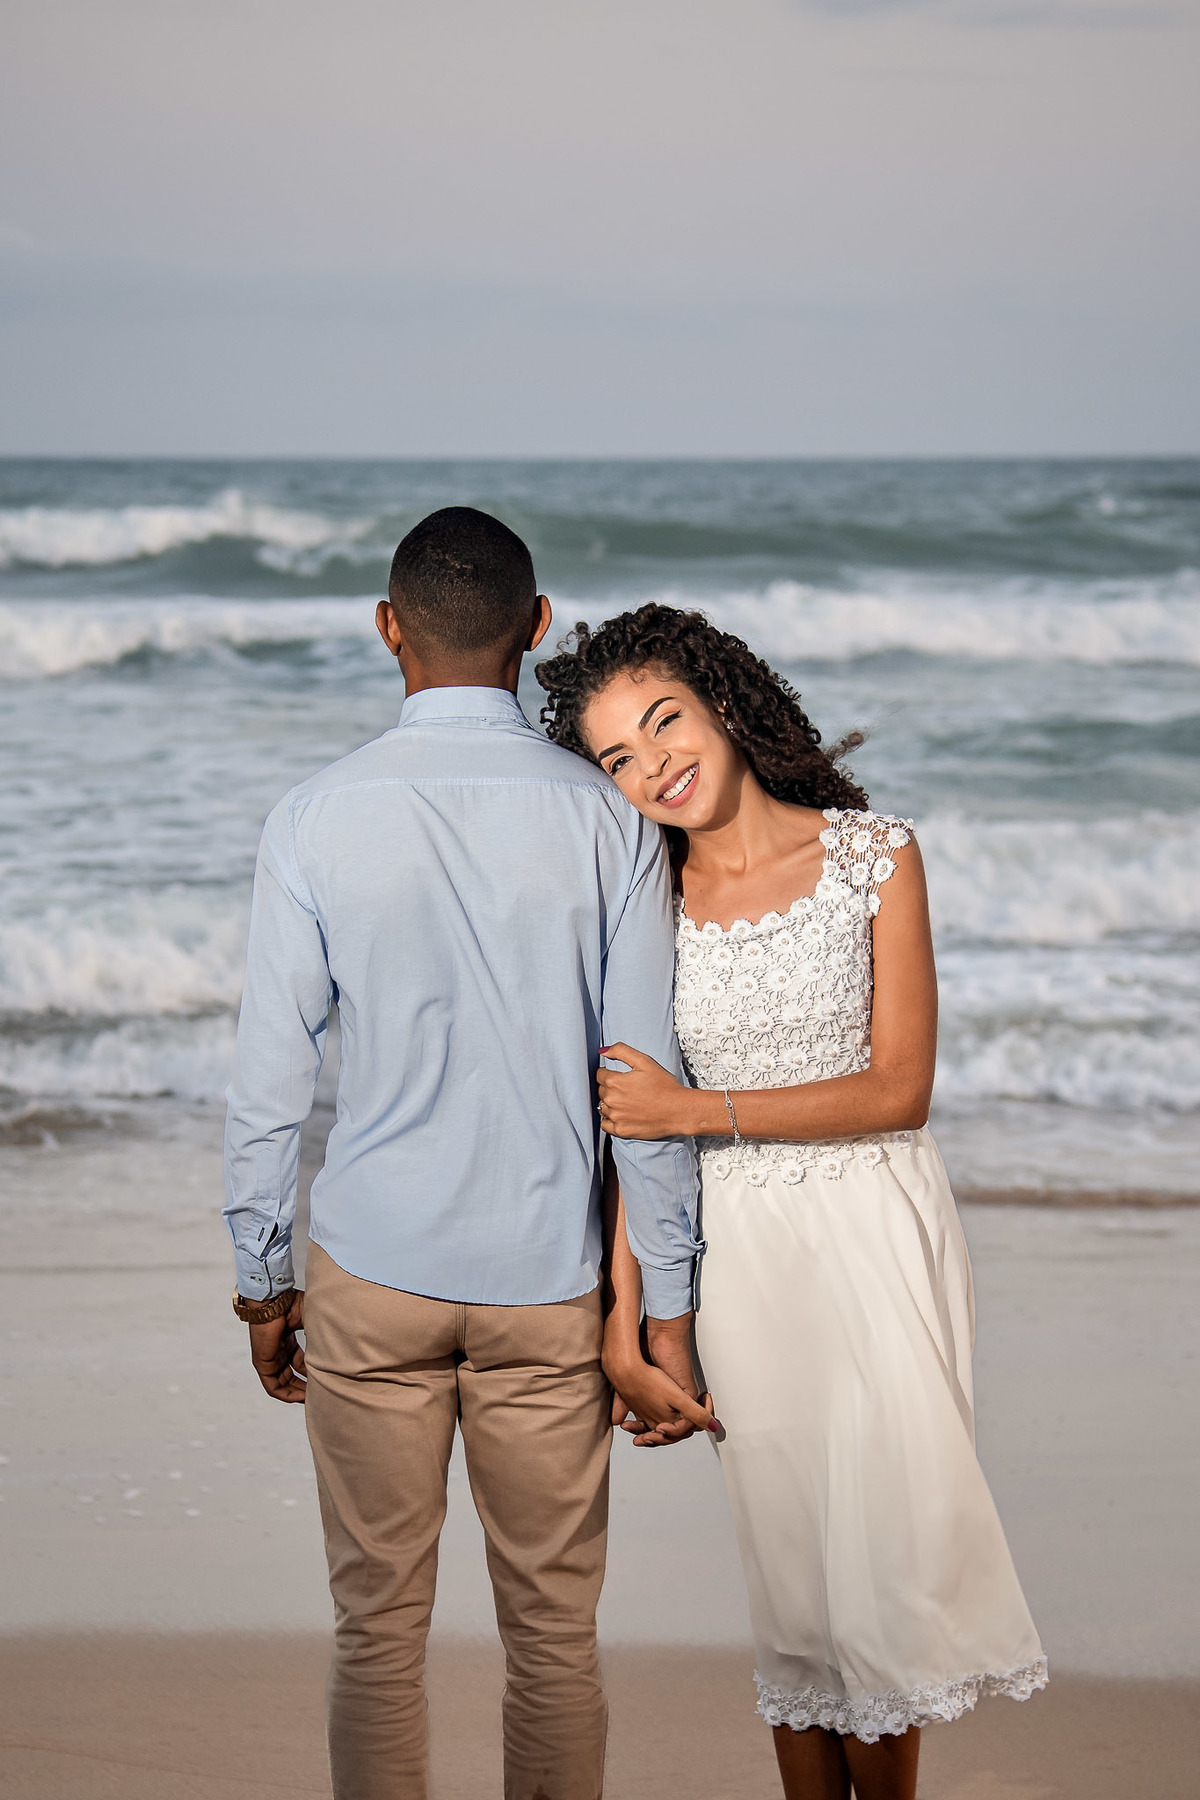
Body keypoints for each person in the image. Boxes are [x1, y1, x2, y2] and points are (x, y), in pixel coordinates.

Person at [222, 512, 711, 1800]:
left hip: (373, 1271)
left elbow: (270, 1087)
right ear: (536, 626)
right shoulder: (611, 821)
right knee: (553, 1638)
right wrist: (666, 1307)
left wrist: (263, 1283)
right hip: (551, 1283)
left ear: (388, 627)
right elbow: (644, 1086)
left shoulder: (312, 818)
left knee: (376, 1633)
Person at [536, 603, 1047, 1800]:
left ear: (723, 700)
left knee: (886, 1580)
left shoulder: (876, 856)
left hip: (879, 1232)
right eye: (619, 757)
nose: (655, 764)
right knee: (797, 1590)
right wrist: (624, 1328)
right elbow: (634, 1137)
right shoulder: (645, 898)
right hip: (744, 1259)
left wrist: (695, 1110)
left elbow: (899, 1088)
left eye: (666, 721)